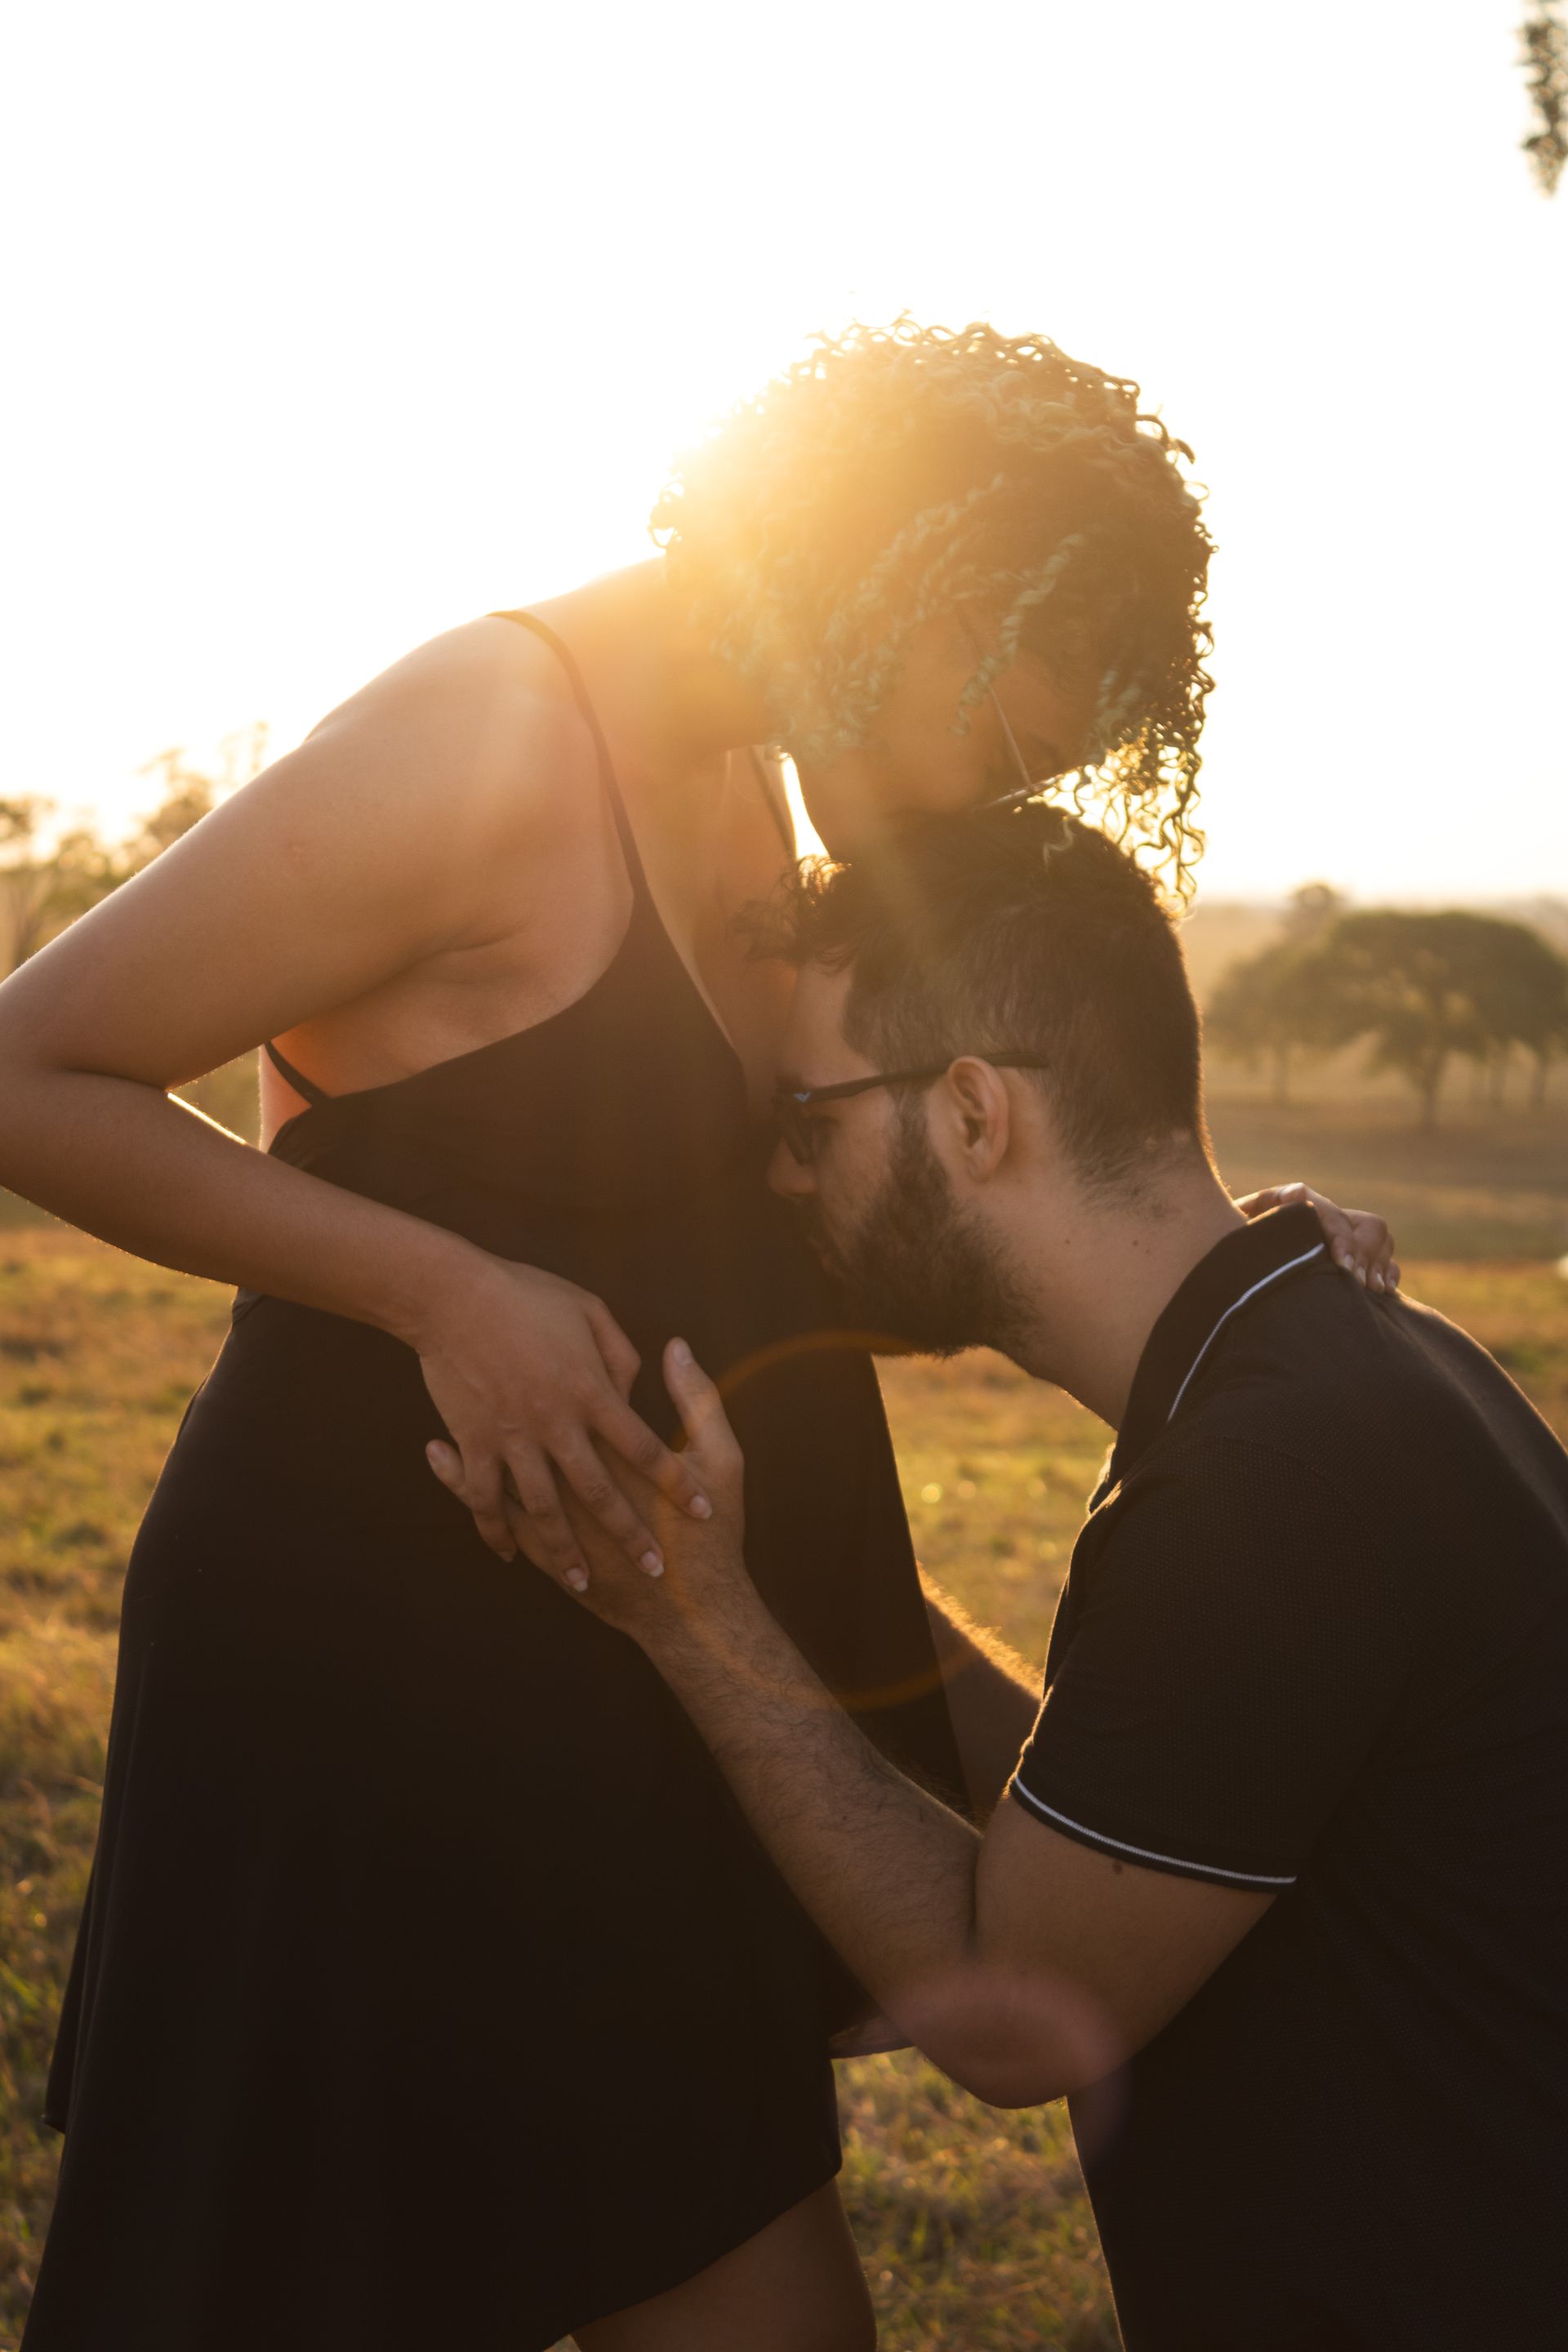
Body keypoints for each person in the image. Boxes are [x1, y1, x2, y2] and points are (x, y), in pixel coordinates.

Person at [0, 322, 1383, 2352]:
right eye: (993, 740)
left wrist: (1211, 1244)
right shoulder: (482, 737)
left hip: (648, 1665)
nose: (979, 803)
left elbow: (836, 1194)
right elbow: (36, 1069)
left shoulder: (749, 770)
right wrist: (437, 1289)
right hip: (362, 1685)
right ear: (903, 576)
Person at [536, 803, 1568, 2352]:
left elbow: (1007, 1996)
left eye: (810, 1119)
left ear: (970, 1115)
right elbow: (1142, 1815)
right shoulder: (1324, 1362)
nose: (779, 1177)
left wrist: (698, 1618)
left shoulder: (1269, 1482)